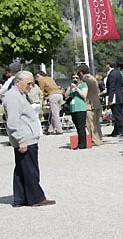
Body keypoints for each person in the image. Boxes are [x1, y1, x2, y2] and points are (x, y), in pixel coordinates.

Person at [2, 71, 55, 207]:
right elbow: (13, 122)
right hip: (24, 138)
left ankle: (21, 198)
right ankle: (36, 197)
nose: (31, 86)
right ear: (18, 81)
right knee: (30, 169)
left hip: (26, 137)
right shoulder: (13, 97)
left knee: (21, 169)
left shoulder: (18, 95)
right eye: (28, 83)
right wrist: (20, 140)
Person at [78, 64, 103, 146]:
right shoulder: (93, 78)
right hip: (96, 101)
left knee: (90, 123)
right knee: (96, 123)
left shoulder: (85, 79)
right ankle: (99, 138)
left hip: (90, 103)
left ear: (81, 73)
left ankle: (95, 140)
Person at [36, 70, 64, 135]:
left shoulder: (41, 80)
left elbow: (41, 91)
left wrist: (42, 102)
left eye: (37, 77)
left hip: (53, 96)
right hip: (60, 95)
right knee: (54, 113)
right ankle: (50, 129)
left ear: (39, 75)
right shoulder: (49, 78)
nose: (37, 79)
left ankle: (59, 130)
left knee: (55, 114)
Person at [105, 60, 123, 137]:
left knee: (117, 115)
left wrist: (110, 100)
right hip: (119, 95)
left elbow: (112, 87)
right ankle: (117, 130)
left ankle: (122, 130)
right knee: (118, 114)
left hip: (115, 97)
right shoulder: (118, 72)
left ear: (108, 65)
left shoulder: (112, 74)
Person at [67, 72, 89, 149]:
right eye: (73, 78)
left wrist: (76, 88)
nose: (75, 79)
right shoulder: (71, 87)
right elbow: (66, 96)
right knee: (77, 126)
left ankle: (82, 144)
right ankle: (80, 142)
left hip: (81, 108)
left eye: (76, 78)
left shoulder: (83, 85)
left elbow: (84, 95)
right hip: (73, 108)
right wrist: (70, 88)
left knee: (81, 127)